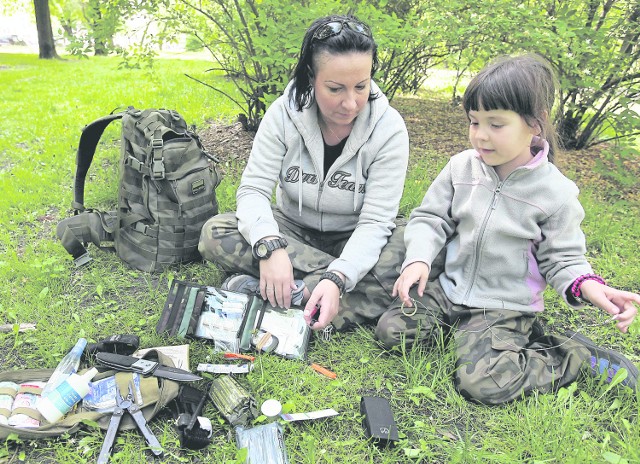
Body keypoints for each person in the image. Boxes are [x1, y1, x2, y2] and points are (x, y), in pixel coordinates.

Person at [377, 54, 640, 405]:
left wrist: (590, 287)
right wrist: (420, 259)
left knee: (483, 383)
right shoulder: (461, 167)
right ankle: (471, 338)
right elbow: (430, 217)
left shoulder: (556, 194)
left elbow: (563, 260)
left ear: (535, 124)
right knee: (391, 332)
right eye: (474, 122)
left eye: (495, 124)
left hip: (502, 305)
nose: (481, 136)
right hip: (449, 289)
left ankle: (572, 355)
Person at [198, 15, 410, 332]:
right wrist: (269, 246)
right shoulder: (284, 114)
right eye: (335, 88)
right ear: (311, 76)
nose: (350, 103)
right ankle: (321, 298)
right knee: (215, 233)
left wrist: (339, 275)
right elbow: (253, 190)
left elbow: (377, 221)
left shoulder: (389, 129)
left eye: (361, 86)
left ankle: (293, 293)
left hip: (352, 236)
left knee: (410, 246)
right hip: (292, 230)